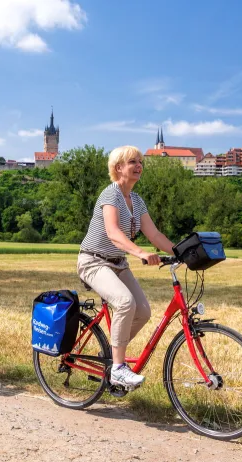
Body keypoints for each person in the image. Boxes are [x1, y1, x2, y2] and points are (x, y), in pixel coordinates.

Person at [77, 145, 175, 388]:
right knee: (124, 302)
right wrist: (140, 252)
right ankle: (119, 368)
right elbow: (113, 233)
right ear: (118, 167)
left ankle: (111, 357)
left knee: (143, 311)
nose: (139, 165)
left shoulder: (137, 201)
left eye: (140, 162)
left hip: (117, 263)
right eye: (133, 162)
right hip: (93, 260)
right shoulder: (110, 194)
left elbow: (154, 234)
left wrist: (182, 252)